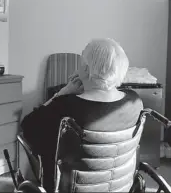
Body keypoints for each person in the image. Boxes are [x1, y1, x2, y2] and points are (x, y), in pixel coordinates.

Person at [21, 38, 143, 193]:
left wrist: (61, 93)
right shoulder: (134, 102)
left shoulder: (64, 106)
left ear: (85, 69)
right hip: (119, 186)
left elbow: (27, 127)